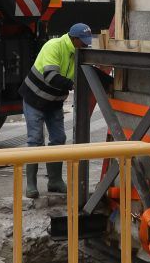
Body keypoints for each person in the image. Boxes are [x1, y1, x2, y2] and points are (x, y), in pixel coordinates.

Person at [18, 21, 94, 197]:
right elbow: (51, 77)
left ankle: (55, 181)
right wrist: (74, 84)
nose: (85, 45)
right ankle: (31, 184)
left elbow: (87, 74)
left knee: (59, 138)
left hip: (54, 102)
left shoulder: (79, 53)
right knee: (35, 140)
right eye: (82, 41)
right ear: (73, 39)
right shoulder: (54, 46)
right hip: (34, 99)